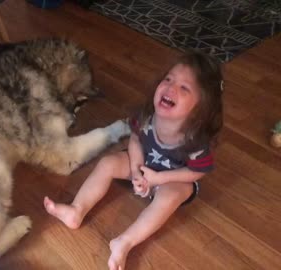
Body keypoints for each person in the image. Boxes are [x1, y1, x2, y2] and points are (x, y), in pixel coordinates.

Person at [43, 51, 224, 270]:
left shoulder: (196, 140)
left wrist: (159, 178)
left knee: (173, 195)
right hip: (143, 166)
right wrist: (136, 168)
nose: (170, 88)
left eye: (184, 88)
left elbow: (197, 172)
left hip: (172, 178)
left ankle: (124, 243)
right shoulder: (148, 116)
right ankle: (76, 210)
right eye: (168, 79)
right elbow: (136, 139)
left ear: (200, 110)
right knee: (107, 163)